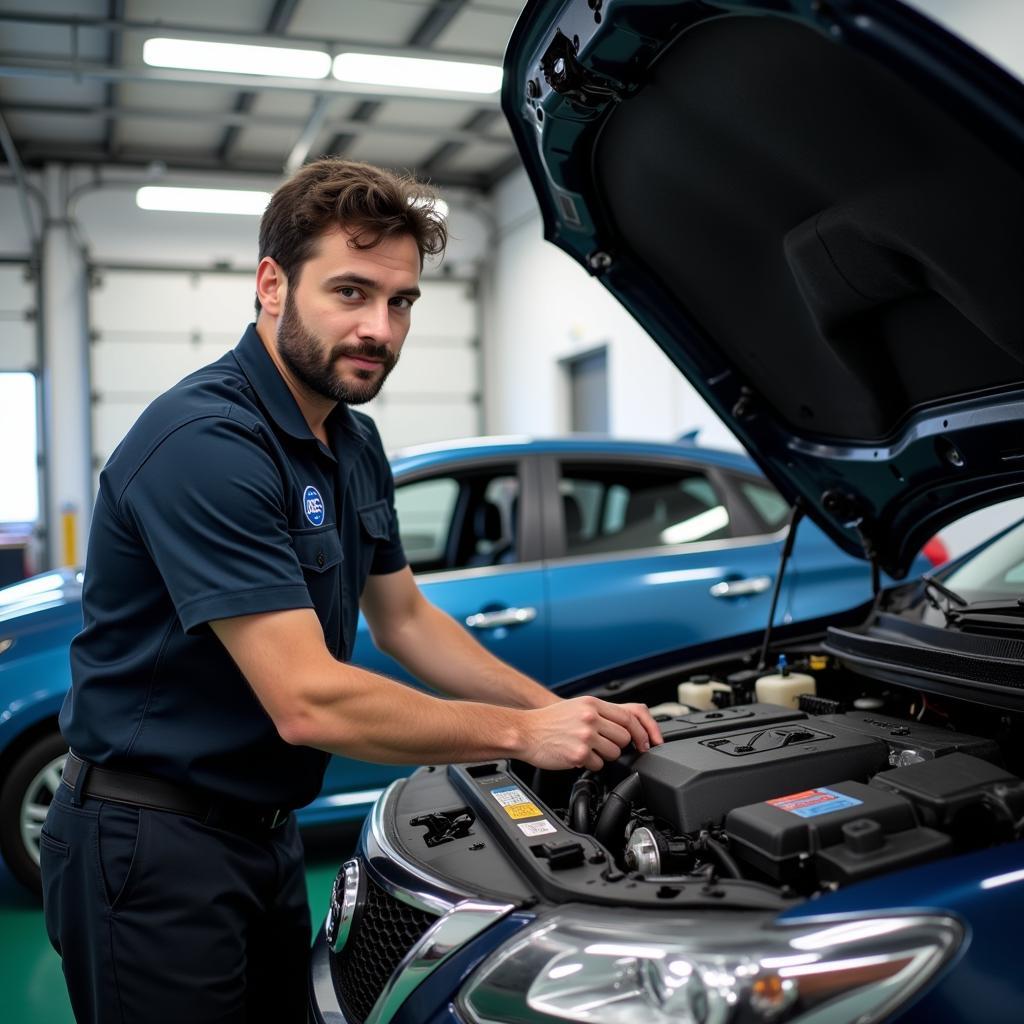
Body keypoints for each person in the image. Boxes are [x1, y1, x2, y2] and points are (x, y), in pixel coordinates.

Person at [40, 157, 663, 1024]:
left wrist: (561, 714)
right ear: (271, 284)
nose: (380, 327)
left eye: (401, 301)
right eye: (351, 292)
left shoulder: (351, 439)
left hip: (264, 833)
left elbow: (404, 617)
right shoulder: (206, 443)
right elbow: (307, 701)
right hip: (150, 845)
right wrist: (522, 732)